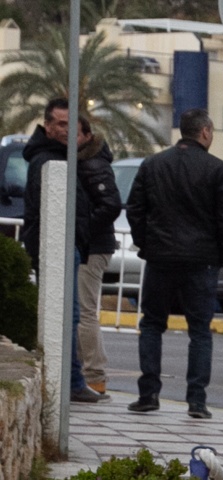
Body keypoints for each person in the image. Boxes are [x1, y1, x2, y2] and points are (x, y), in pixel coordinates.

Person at [126, 108, 223, 419]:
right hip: (202, 261)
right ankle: (197, 401)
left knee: (151, 324)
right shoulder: (217, 169)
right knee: (200, 331)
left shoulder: (153, 164)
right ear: (204, 132)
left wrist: (147, 244)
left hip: (160, 257)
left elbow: (135, 209)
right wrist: (221, 255)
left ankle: (148, 394)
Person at [20, 98, 106, 403]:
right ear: (47, 125)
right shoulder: (49, 161)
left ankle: (71, 380)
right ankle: (70, 382)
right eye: (59, 123)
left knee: (67, 317)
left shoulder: (65, 158)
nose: (66, 129)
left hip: (70, 247)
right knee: (66, 318)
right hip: (58, 249)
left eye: (71, 124)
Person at [76, 116, 122, 395]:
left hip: (94, 247)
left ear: (87, 135)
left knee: (85, 311)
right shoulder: (85, 161)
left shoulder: (93, 164)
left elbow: (111, 204)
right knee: (83, 310)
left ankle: (95, 374)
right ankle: (91, 373)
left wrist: (83, 228)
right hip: (92, 245)